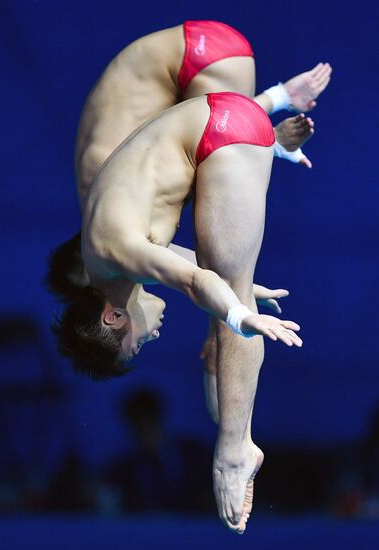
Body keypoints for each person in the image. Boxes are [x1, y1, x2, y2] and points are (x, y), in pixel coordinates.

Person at [53, 91, 303, 533]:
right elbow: (179, 260)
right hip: (224, 123)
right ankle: (277, 127)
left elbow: (196, 281)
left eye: (135, 345)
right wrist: (237, 292)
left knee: (232, 310)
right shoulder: (105, 262)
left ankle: (233, 450)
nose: (151, 340)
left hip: (224, 132)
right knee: (230, 291)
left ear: (113, 317)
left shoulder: (115, 252)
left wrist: (240, 313)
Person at [46, 20, 331, 302]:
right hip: (202, 50)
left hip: (194, 60)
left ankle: (277, 117)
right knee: (199, 179)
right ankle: (274, 125)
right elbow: (168, 258)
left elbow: (211, 146)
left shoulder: (106, 205)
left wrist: (227, 306)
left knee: (213, 202)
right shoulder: (104, 215)